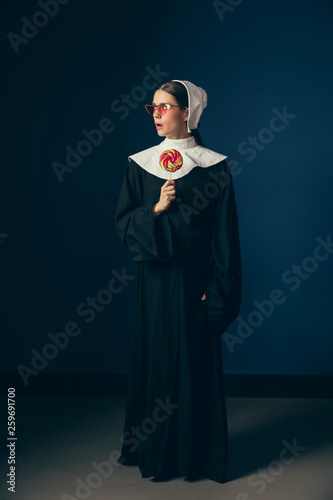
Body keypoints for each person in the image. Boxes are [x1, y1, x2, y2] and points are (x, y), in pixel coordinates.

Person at [114, 79, 242, 483]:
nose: (156, 113)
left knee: (193, 366)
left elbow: (226, 237)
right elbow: (123, 222)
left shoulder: (214, 165)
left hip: (194, 287)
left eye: (164, 107)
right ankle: (157, 455)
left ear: (187, 113)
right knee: (157, 362)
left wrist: (219, 291)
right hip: (155, 287)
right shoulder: (139, 163)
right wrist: (155, 208)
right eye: (152, 107)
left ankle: (196, 457)